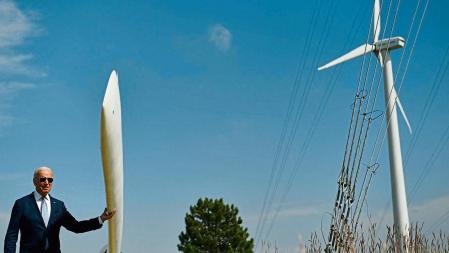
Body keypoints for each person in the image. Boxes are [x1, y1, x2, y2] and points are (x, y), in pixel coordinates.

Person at [4, 166, 116, 253]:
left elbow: (76, 226)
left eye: (50, 179)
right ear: (34, 181)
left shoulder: (59, 206)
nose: (47, 182)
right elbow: (11, 236)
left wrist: (101, 219)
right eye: (43, 179)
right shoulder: (22, 204)